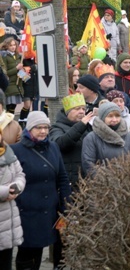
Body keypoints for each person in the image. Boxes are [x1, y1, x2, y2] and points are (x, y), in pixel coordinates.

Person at [12, 111, 72, 270]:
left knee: (42, 250)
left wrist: (66, 206)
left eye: (46, 127)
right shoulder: (16, 150)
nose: (43, 131)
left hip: (49, 212)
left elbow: (63, 178)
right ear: (29, 128)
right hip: (25, 213)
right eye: (38, 127)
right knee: (27, 253)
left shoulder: (53, 147)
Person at [81, 101, 130, 177]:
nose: (114, 119)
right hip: (102, 183)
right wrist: (108, 179)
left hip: (126, 182)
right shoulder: (92, 138)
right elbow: (88, 163)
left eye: (117, 116)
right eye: (110, 116)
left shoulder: (128, 136)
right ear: (103, 117)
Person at [51, 93, 94, 187]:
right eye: (77, 109)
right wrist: (81, 125)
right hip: (70, 180)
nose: (81, 112)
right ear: (67, 112)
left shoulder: (88, 127)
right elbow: (61, 144)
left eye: (83, 109)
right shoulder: (56, 128)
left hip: (88, 179)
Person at [0, 124, 25, 269]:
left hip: (7, 223)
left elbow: (20, 174)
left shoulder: (7, 152)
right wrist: (5, 192)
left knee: (5, 263)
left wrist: (17, 188)